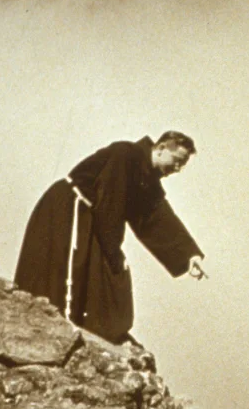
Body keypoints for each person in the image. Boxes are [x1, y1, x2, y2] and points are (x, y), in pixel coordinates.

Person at [15, 131, 204, 344]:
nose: (178, 169)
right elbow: (110, 204)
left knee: (107, 270)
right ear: (160, 149)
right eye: (177, 161)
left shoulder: (146, 176)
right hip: (70, 210)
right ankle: (59, 331)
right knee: (70, 269)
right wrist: (113, 253)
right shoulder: (126, 155)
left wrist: (189, 254)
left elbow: (156, 216)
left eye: (182, 165)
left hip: (93, 218)